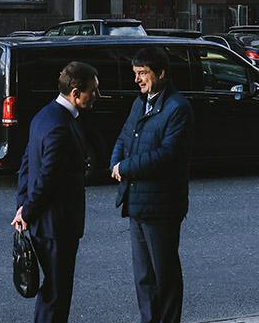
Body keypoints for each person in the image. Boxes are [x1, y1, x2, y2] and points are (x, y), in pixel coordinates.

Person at [12, 61, 100, 323]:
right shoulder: (61, 126)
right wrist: (27, 211)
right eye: (93, 90)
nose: (97, 95)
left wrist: (23, 205)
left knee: (52, 291)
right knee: (57, 294)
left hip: (45, 223)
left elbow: (27, 164)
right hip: (57, 225)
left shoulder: (44, 115)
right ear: (75, 93)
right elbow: (48, 179)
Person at [110, 47, 194, 323]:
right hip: (136, 202)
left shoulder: (177, 108)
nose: (137, 79)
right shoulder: (140, 103)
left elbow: (167, 156)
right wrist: (115, 162)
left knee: (164, 275)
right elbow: (124, 137)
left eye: (143, 73)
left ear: (161, 73)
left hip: (162, 206)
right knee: (144, 277)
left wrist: (125, 168)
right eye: (135, 73)